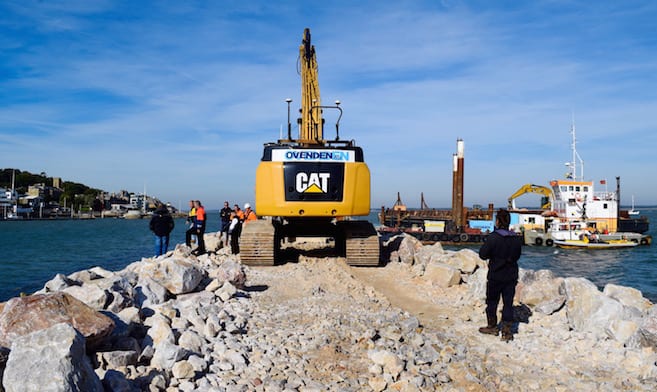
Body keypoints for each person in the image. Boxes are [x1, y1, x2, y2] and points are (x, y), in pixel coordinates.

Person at [477, 208, 522, 342]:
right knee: (508, 303)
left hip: (496, 274)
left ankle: (492, 326)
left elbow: (482, 254)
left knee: (492, 301)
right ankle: (507, 332)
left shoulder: (493, 238)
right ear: (508, 222)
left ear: (497, 222)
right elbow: (517, 256)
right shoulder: (516, 239)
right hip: (511, 275)